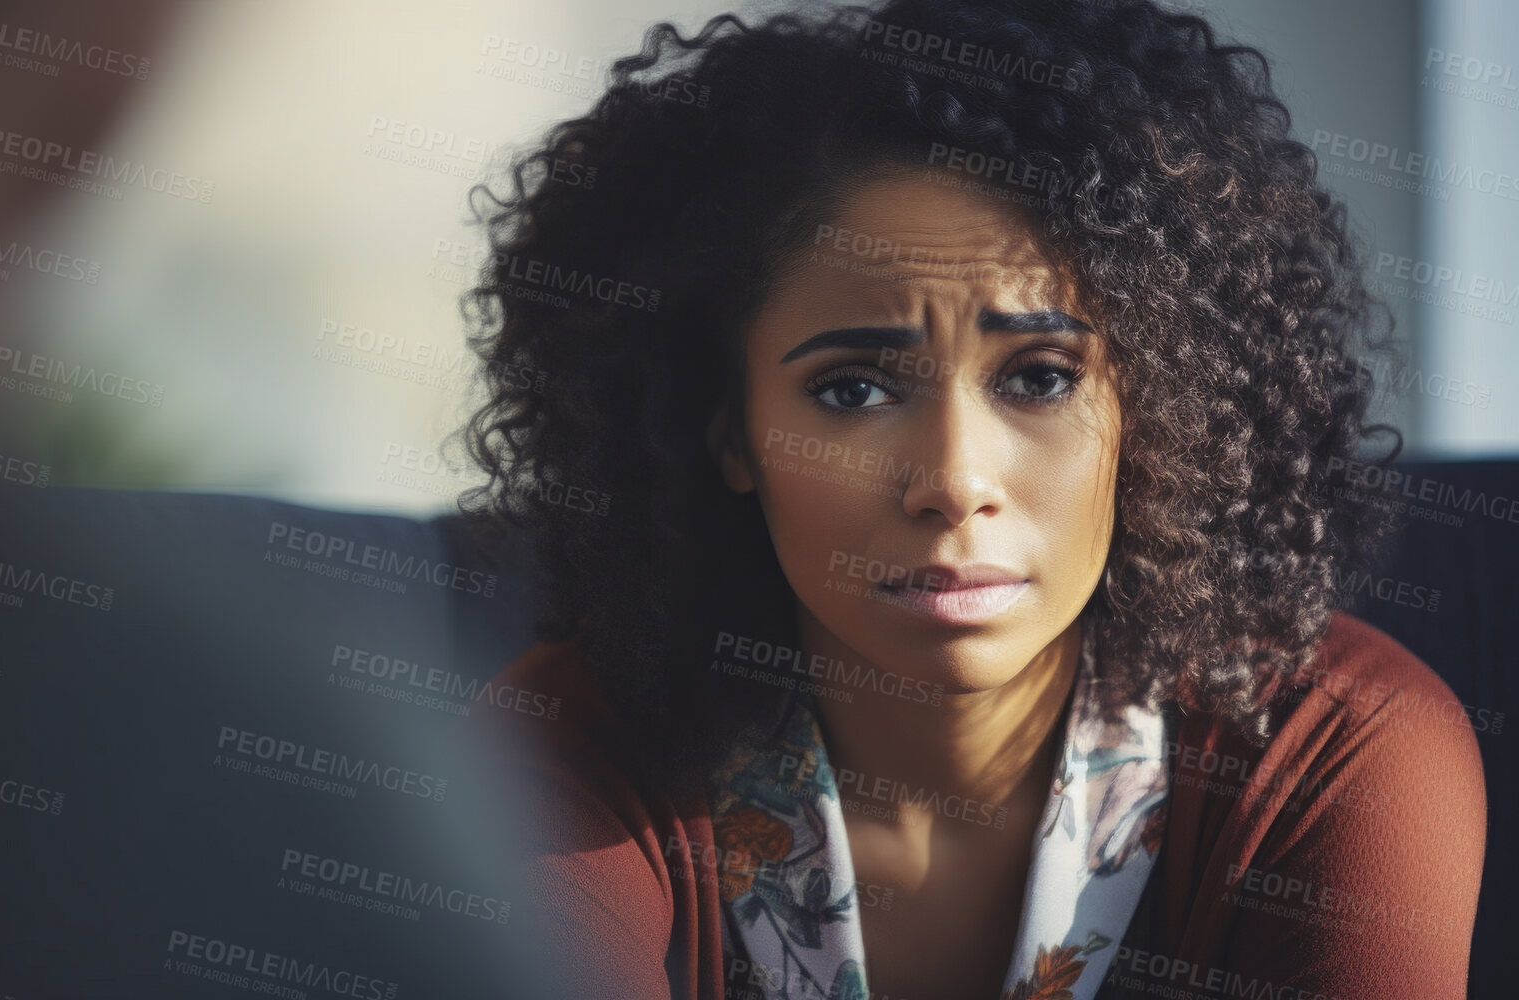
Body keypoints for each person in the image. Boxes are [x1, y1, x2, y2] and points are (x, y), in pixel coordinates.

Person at [447, 2, 1487, 998]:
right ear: (726, 431)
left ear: (1155, 410)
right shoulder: (567, 750)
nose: (951, 482)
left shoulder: (1333, 750)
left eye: (1038, 377)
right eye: (851, 390)